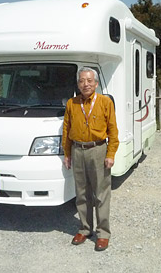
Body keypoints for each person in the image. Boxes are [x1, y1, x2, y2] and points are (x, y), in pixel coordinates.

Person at [62, 66, 119, 251]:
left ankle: (103, 233)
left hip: (98, 150)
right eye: (81, 81)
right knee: (82, 194)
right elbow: (66, 130)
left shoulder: (105, 102)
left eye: (89, 81)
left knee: (101, 194)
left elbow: (113, 131)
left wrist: (110, 154)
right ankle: (85, 229)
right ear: (78, 84)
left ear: (95, 84)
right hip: (78, 150)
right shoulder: (72, 103)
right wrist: (67, 153)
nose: (85, 84)